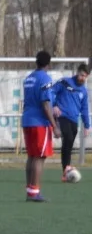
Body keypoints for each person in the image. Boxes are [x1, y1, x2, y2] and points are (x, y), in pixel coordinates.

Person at [22, 50, 56, 201]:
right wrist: (55, 126)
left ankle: (30, 190)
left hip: (27, 120)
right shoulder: (45, 78)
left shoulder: (28, 78)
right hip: (40, 122)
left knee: (31, 156)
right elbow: (46, 104)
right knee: (40, 157)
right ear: (48, 64)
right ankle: (35, 191)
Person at [51, 62, 89, 180]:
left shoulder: (83, 91)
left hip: (74, 119)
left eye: (85, 76)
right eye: (81, 75)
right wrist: (54, 105)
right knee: (67, 138)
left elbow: (84, 108)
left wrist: (87, 125)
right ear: (77, 73)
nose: (82, 78)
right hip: (62, 116)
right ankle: (66, 169)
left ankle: (65, 172)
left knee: (69, 144)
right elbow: (51, 91)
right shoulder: (65, 82)